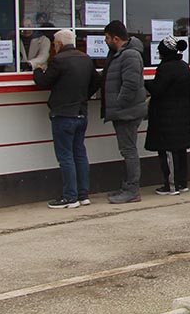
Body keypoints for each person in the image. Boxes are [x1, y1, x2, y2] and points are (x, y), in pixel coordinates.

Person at [32, 29, 101, 208]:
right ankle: (83, 194)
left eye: (54, 43)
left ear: (59, 44)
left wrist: (37, 70)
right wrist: (84, 96)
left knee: (65, 156)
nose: (54, 46)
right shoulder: (85, 59)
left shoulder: (59, 60)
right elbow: (96, 81)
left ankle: (70, 196)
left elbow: (43, 81)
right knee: (79, 153)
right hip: (81, 112)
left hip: (63, 114)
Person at [99, 21, 147, 203]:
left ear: (116, 38)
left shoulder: (130, 56)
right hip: (124, 111)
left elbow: (130, 84)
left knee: (129, 151)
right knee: (127, 150)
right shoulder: (119, 55)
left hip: (127, 112)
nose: (105, 41)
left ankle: (132, 190)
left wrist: (118, 104)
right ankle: (127, 187)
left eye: (107, 38)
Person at [144, 37, 190, 196]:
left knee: (168, 152)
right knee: (180, 151)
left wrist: (146, 83)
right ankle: (182, 182)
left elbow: (158, 89)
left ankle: (171, 185)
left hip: (166, 117)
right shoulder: (183, 66)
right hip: (182, 115)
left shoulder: (166, 68)